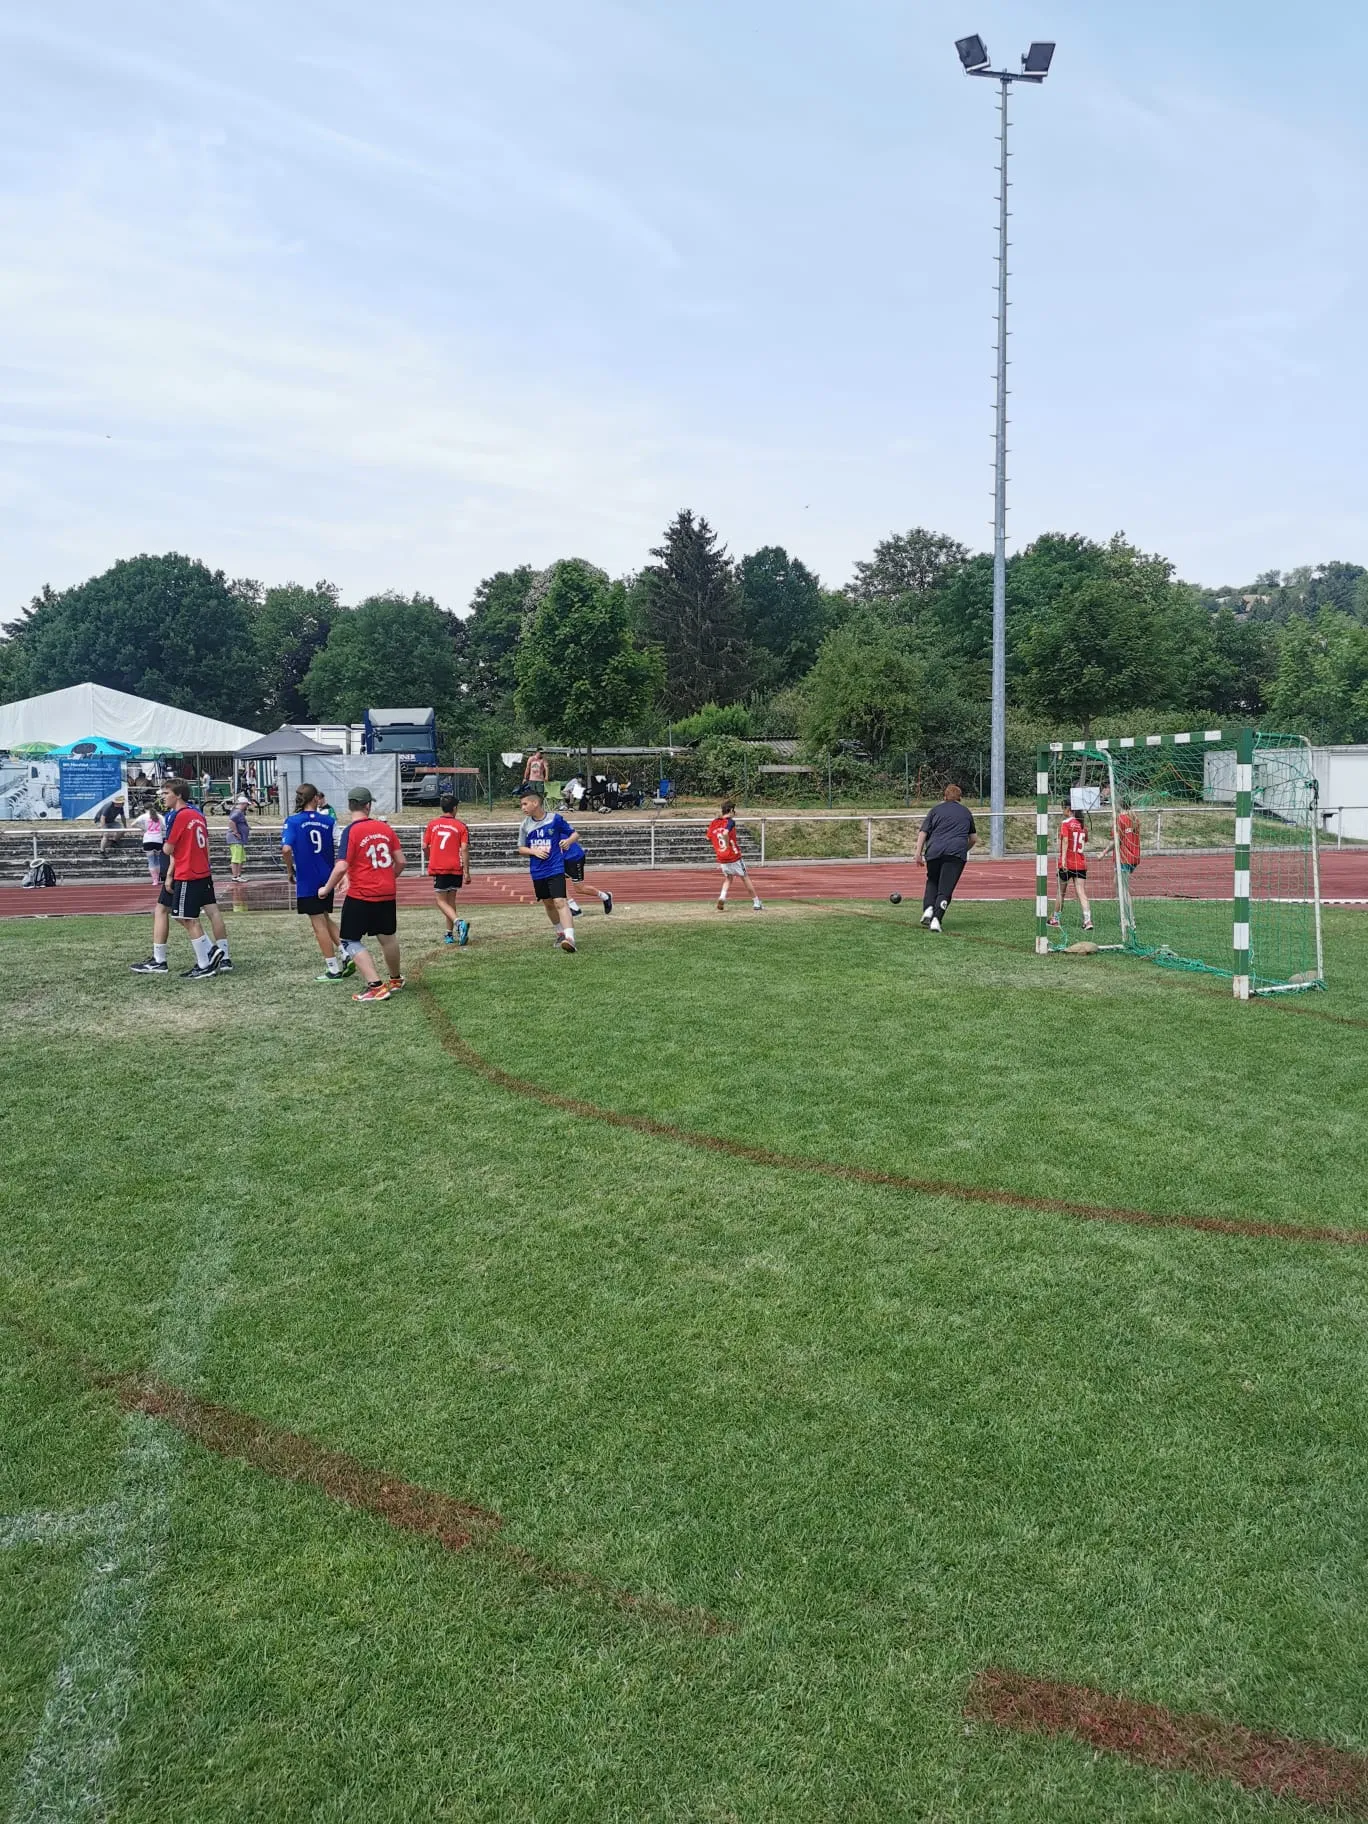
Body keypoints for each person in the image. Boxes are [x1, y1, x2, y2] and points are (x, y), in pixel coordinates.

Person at [130, 781, 232, 975]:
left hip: (186, 871)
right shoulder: (197, 814)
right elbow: (204, 844)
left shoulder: (178, 816)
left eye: (166, 793)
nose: (163, 797)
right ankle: (217, 955)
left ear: (178, 795)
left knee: (185, 916)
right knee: (179, 911)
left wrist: (169, 873)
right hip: (200, 870)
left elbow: (170, 849)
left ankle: (207, 958)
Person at [316, 786, 406, 1002]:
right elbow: (401, 861)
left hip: (362, 894)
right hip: (386, 893)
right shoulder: (385, 829)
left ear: (350, 806)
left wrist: (326, 889)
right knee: (387, 936)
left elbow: (341, 866)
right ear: (368, 805)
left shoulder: (351, 831)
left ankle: (375, 986)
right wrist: (389, 877)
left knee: (349, 940)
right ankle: (395, 979)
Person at [281, 783, 349, 981]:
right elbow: (341, 843)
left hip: (308, 878)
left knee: (318, 923)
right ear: (315, 799)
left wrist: (290, 869)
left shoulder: (293, 821)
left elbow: (286, 849)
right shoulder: (329, 820)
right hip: (327, 876)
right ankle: (346, 952)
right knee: (324, 917)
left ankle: (333, 968)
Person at [516, 785, 578, 952]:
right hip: (538, 871)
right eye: (521, 805)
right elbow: (521, 848)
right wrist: (534, 851)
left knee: (560, 901)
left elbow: (574, 834)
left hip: (555, 867)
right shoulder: (525, 825)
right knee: (548, 903)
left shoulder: (555, 819)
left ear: (535, 803)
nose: (523, 808)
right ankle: (560, 932)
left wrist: (568, 841)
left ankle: (570, 938)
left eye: (525, 804)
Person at [912, 783, 978, 933]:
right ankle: (936, 919)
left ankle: (928, 909)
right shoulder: (966, 812)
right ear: (960, 798)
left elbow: (923, 832)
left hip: (934, 851)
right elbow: (973, 838)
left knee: (932, 880)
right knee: (945, 889)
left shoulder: (935, 810)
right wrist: (963, 850)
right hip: (955, 854)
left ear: (944, 796)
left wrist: (918, 853)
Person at [421, 794, 471, 946]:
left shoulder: (433, 824)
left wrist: (431, 857)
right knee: (450, 901)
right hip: (455, 867)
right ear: (455, 808)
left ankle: (458, 923)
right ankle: (449, 933)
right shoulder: (461, 826)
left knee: (440, 901)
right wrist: (467, 871)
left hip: (440, 867)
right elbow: (464, 848)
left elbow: (424, 846)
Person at [707, 799, 762, 911]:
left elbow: (708, 837)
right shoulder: (730, 822)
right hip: (734, 856)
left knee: (728, 878)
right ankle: (756, 902)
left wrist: (719, 845)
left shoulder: (714, 822)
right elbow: (725, 833)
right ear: (731, 810)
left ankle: (722, 897)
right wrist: (727, 843)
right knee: (745, 878)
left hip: (722, 857)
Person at [1051, 800, 1094, 932]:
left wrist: (1063, 860)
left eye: (1063, 808)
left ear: (1068, 809)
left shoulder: (1066, 823)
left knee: (1061, 892)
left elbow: (1065, 841)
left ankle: (1055, 919)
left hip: (1068, 863)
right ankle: (1087, 920)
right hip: (1080, 863)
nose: (1062, 811)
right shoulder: (1082, 825)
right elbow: (1084, 840)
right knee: (1081, 891)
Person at [561, 828, 612, 918]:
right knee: (557, 882)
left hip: (574, 858)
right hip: (563, 860)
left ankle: (605, 896)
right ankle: (575, 908)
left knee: (579, 889)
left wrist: (567, 841)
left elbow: (575, 834)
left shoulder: (555, 825)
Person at [137, 802, 165, 885]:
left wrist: (144, 828)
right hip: (158, 839)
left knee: (151, 861)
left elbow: (133, 824)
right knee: (157, 860)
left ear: (145, 808)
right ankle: (158, 878)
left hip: (148, 839)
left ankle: (155, 880)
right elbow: (164, 826)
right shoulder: (160, 816)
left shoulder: (143, 816)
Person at [226, 795, 251, 881]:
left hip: (239, 840)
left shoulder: (238, 812)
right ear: (243, 804)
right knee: (236, 858)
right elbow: (231, 821)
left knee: (240, 858)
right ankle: (235, 876)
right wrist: (235, 832)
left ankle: (238, 875)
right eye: (247, 805)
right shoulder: (238, 812)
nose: (247, 807)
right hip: (235, 839)